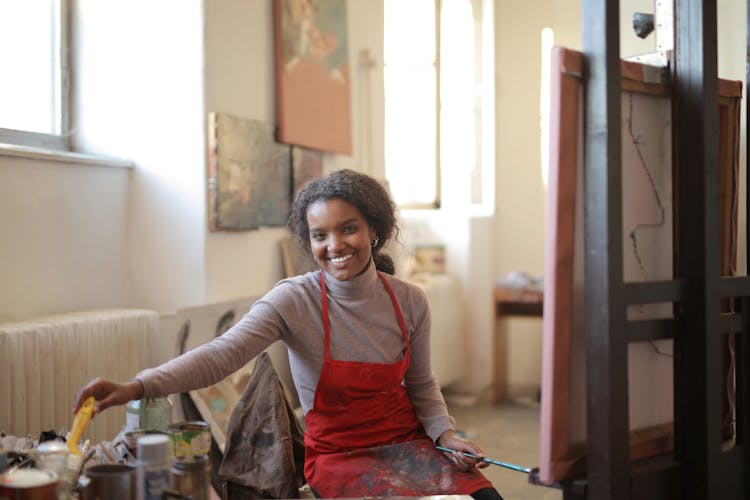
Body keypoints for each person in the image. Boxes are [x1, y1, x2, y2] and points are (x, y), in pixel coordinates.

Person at [74, 168, 503, 499]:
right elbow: (221, 354)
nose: (335, 244)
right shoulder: (293, 300)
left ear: (374, 230)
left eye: (348, 228)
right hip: (340, 459)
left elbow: (422, 384)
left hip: (410, 446)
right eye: (320, 235)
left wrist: (446, 436)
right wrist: (136, 386)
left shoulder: (410, 300)